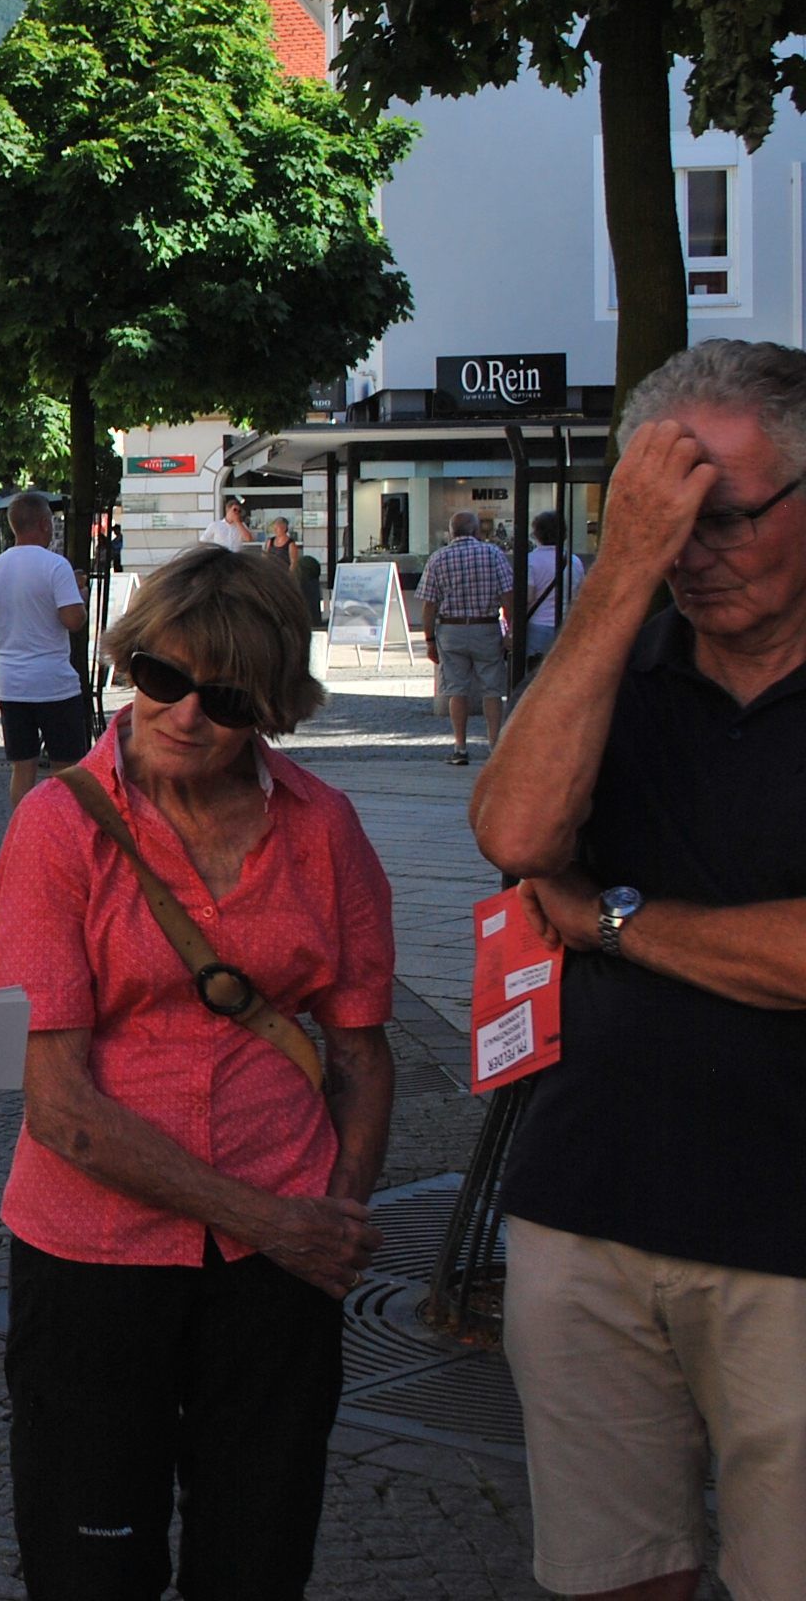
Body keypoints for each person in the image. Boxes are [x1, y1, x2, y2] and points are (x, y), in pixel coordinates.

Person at [0, 545, 397, 1601]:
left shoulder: (324, 830)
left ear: (271, 704)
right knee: (93, 1563)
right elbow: (62, 1109)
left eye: (222, 696)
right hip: (96, 1256)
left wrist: (335, 1215)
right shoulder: (56, 828)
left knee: (258, 1555)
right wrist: (272, 1217)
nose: (182, 713)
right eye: (160, 679)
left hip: (280, 1268)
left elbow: (358, 1050)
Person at [471, 341, 806, 1601]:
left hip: (789, 1235)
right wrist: (616, 585)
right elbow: (512, 838)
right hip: (590, 1206)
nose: (694, 552)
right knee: (609, 1576)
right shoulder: (625, 659)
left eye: (723, 517)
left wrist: (613, 919)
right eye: (664, 521)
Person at [0, 491, 90, 809]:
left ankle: (22, 835)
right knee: (66, 767)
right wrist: (81, 594)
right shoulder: (56, 566)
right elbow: (73, 620)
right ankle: (61, 833)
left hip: (12, 681)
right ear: (43, 523)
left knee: (22, 767)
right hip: (54, 683)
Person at [419, 508, 515, 764]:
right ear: (476, 531)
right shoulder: (493, 554)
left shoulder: (438, 558)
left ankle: (460, 747)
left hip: (451, 630)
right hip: (486, 627)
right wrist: (510, 627)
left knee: (456, 690)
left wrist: (429, 639)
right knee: (492, 689)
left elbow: (429, 604)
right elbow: (508, 594)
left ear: (451, 533)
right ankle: (495, 746)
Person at [520, 509, 586, 667]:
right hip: (565, 625)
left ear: (537, 534)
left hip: (537, 626)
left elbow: (528, 597)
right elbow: (579, 595)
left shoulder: (530, 561)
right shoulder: (574, 561)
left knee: (536, 674)